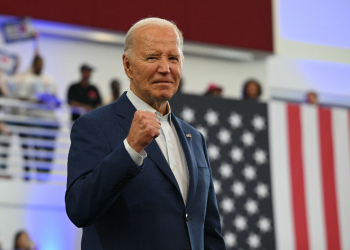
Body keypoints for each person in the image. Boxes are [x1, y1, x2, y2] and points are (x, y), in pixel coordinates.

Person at [65, 17, 226, 250]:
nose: (165, 68)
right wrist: (130, 148)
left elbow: (209, 231)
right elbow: (79, 209)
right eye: (152, 57)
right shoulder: (94, 126)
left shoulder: (195, 138)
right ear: (128, 65)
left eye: (173, 58)